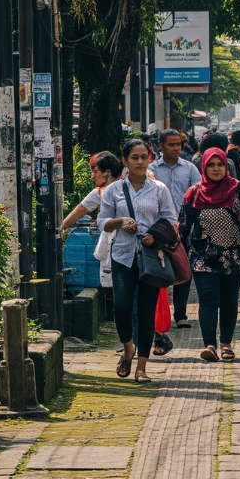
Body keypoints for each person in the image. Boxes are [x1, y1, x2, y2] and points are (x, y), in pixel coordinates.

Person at [99, 139, 177, 383]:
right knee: (121, 306)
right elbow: (102, 222)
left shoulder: (159, 189)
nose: (140, 162)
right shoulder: (113, 190)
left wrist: (154, 235)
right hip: (123, 255)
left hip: (151, 258)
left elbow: (170, 219)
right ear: (125, 161)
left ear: (149, 159)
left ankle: (142, 366)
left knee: (146, 312)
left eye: (144, 157)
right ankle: (128, 348)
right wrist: (122, 221)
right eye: (135, 157)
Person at [179, 148, 240, 362]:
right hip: (202, 258)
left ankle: (226, 344)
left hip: (233, 257)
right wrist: (176, 251)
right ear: (204, 167)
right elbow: (183, 226)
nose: (215, 168)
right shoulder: (194, 193)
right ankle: (210, 345)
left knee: (228, 301)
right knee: (208, 300)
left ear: (226, 167)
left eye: (219, 164)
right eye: (211, 165)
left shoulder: (237, 190)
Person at [151, 129, 202, 329]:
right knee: (156, 270)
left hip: (183, 228)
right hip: (157, 228)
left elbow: (198, 194)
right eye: (171, 145)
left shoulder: (189, 169)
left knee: (183, 269)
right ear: (161, 146)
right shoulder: (152, 169)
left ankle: (180, 314)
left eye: (178, 144)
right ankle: (157, 314)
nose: (175, 148)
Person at [63, 152, 122, 229]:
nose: (93, 176)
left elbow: (79, 211)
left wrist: (59, 231)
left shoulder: (99, 193)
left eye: (96, 172)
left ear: (107, 172)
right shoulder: (130, 187)